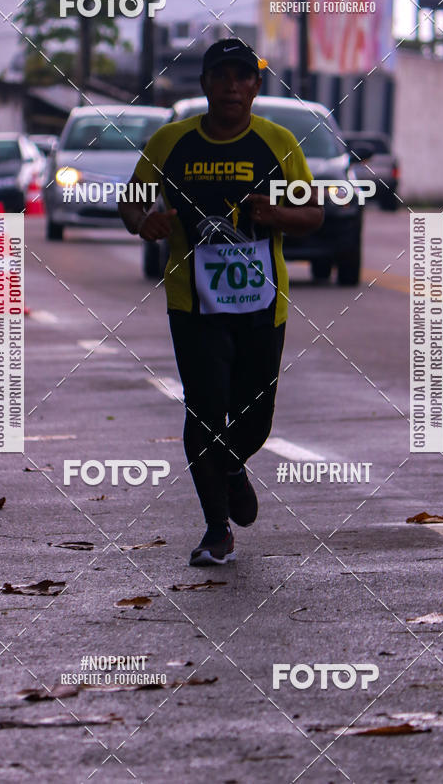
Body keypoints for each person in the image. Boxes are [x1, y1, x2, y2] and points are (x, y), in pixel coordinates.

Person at [122, 38, 324, 566]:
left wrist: (276, 214)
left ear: (256, 86)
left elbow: (314, 215)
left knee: (254, 421)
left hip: (262, 305)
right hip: (195, 304)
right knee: (204, 410)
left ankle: (232, 466)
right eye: (222, 76)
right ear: (206, 83)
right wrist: (146, 223)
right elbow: (133, 201)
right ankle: (216, 530)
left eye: (243, 77)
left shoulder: (279, 144)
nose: (232, 86)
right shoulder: (170, 142)